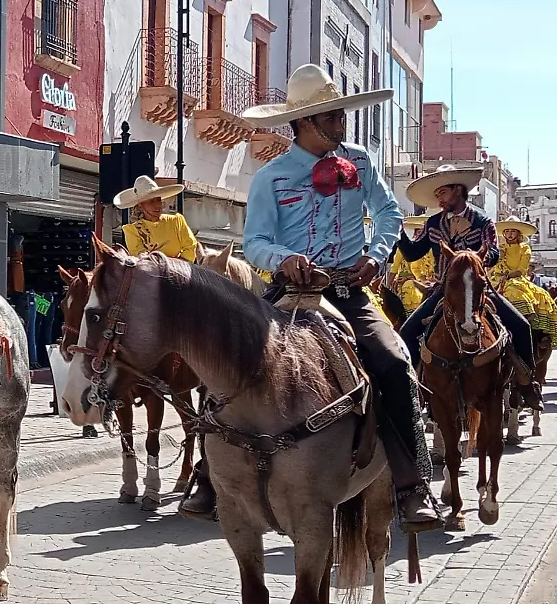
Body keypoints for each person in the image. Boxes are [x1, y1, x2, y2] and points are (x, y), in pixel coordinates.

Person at [178, 63, 441, 532]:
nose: (343, 125)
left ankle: (412, 486)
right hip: (288, 292)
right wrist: (283, 258)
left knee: (393, 361)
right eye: (333, 117)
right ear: (305, 123)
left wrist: (378, 257)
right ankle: (209, 476)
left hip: (349, 290)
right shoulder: (271, 177)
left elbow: (388, 214)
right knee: (225, 361)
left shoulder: (359, 161)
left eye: (341, 115)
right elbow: (254, 240)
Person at [396, 166, 534, 376]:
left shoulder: (482, 221)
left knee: (522, 326)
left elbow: (494, 254)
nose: (439, 200)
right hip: (444, 290)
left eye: (442, 193)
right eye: (437, 195)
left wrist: (470, 251)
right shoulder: (433, 223)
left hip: (478, 290)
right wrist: (398, 230)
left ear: (457, 190)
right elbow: (413, 254)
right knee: (407, 331)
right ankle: (413, 387)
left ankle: (527, 382)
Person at [492, 217, 556, 337]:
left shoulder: (524, 248)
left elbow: (521, 269)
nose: (509, 234)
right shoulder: (499, 248)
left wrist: (508, 276)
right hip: (496, 278)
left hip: (516, 279)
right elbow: (492, 266)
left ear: (518, 233)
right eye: (507, 231)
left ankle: (527, 323)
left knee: (514, 292)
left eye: (513, 231)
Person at [114, 177, 198, 261]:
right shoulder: (132, 231)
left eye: (158, 200)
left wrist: (177, 265)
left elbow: (190, 246)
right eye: (151, 201)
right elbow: (141, 258)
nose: (157, 205)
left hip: (181, 270)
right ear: (140, 205)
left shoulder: (176, 221)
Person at [389, 216, 434, 314]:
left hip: (427, 281)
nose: (420, 235)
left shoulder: (433, 248)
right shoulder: (404, 249)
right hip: (409, 283)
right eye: (418, 232)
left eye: (422, 232)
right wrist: (388, 285)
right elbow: (396, 267)